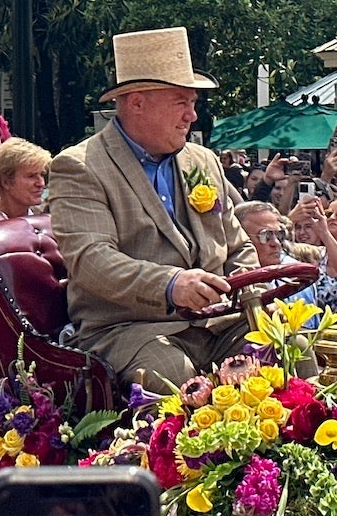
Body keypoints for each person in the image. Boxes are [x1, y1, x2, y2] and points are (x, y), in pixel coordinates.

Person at [50, 26, 256, 387]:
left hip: (217, 324)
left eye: (193, 103)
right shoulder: (80, 166)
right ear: (137, 103)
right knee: (171, 374)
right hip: (128, 328)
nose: (192, 116)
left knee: (291, 347)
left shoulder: (202, 161)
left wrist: (254, 292)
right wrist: (171, 284)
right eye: (181, 102)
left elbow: (238, 246)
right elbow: (91, 260)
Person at [0, 137, 51, 219]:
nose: (41, 183)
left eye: (42, 174)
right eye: (31, 176)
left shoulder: (46, 221)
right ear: (5, 182)